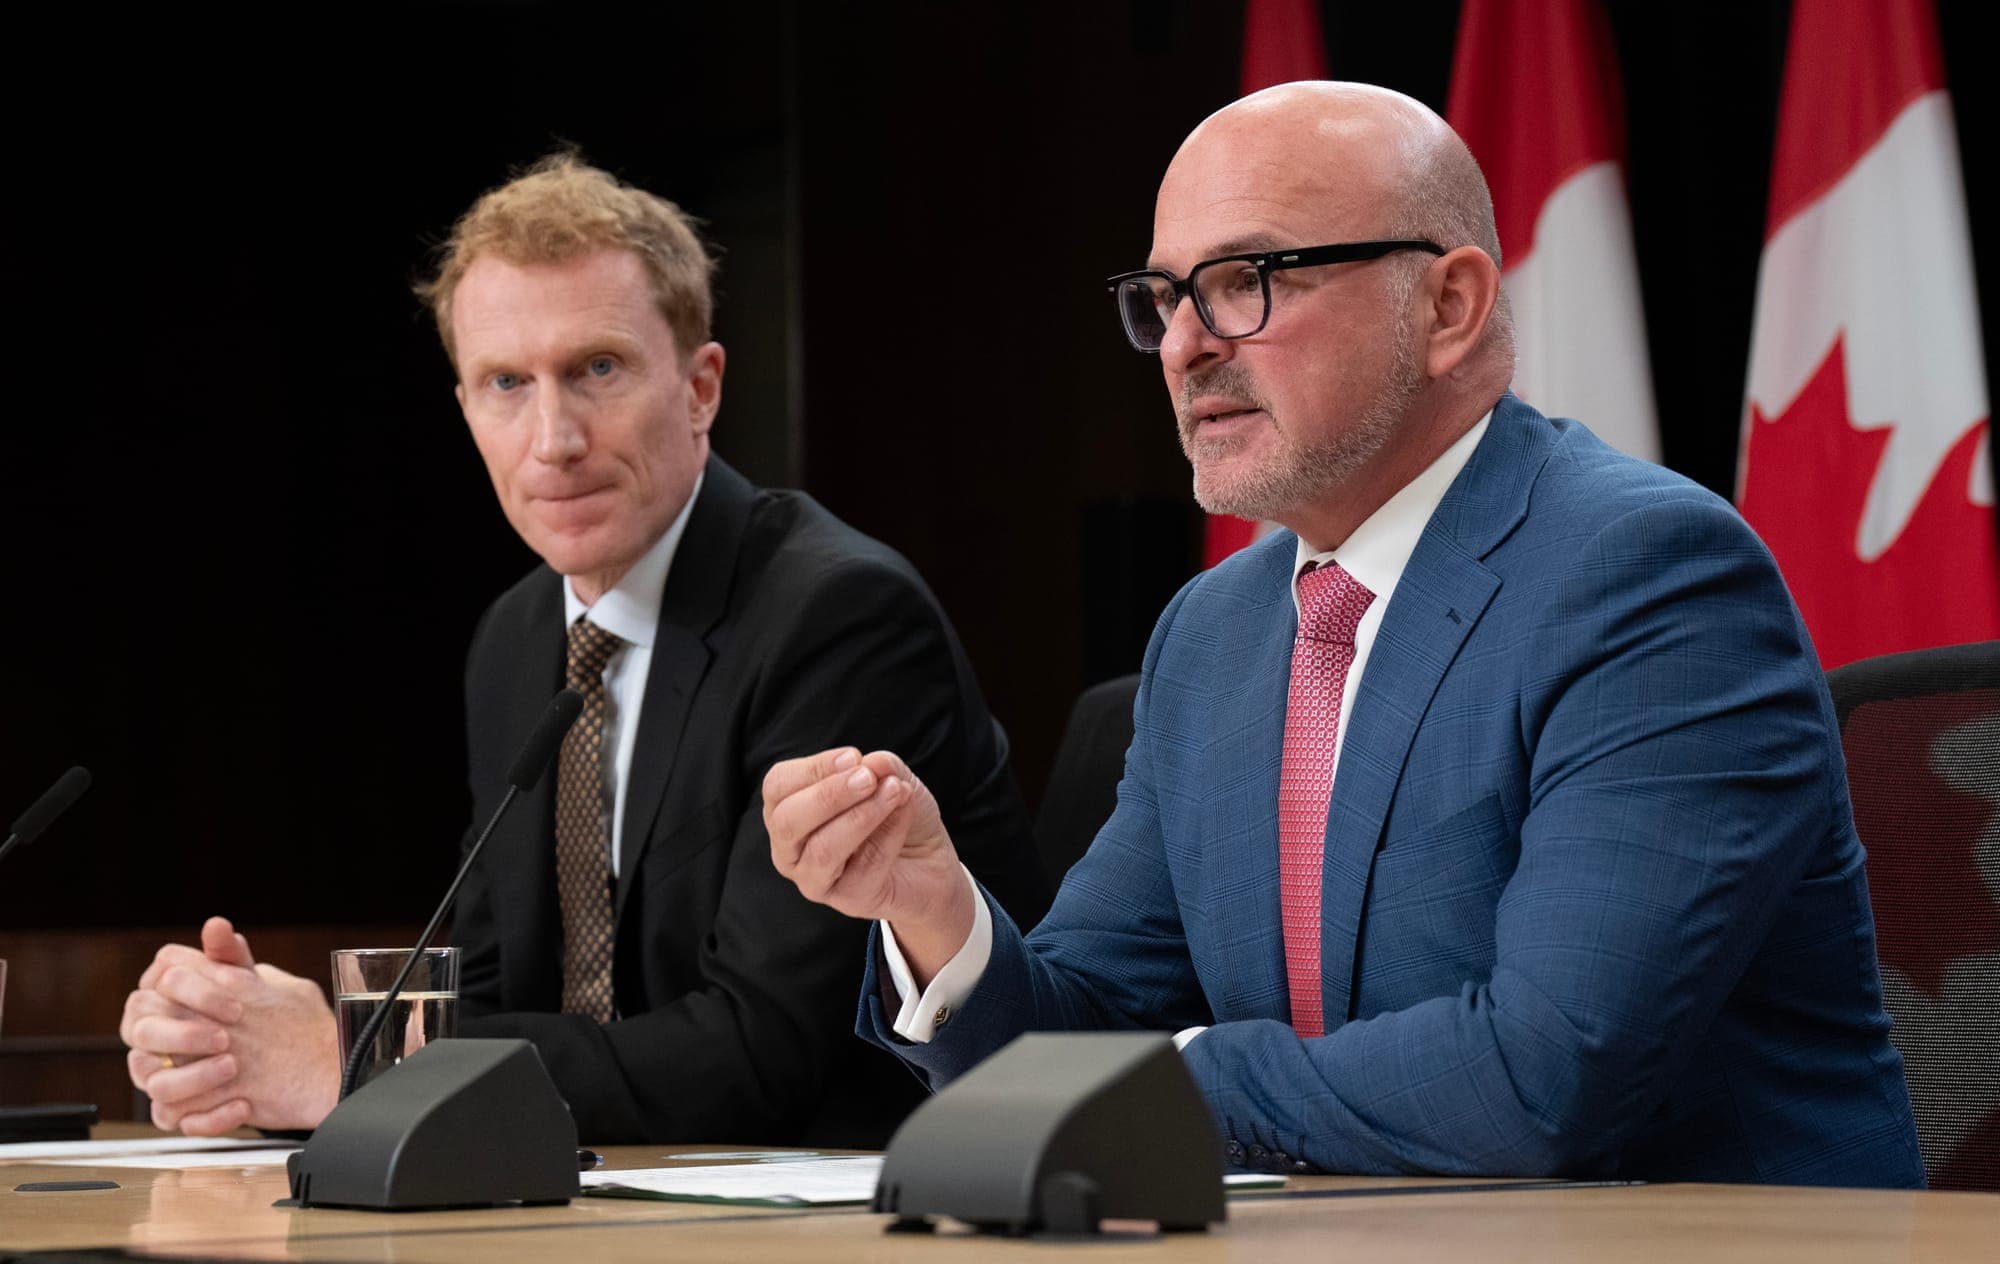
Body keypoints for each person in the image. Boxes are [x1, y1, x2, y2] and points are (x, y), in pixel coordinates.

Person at [762, 83, 1925, 1186]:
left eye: (1246, 279)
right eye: (1166, 297)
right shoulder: (1212, 632)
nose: (1185, 346)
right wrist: (934, 911)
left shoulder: (1647, 579)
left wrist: (1162, 1080)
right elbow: (1074, 1038)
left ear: (1448, 306)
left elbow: (1540, 1078)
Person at [118, 154, 1048, 1146]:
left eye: (595, 370)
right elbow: (489, 984)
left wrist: (361, 1061)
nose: (551, 438)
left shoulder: (835, 617)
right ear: (466, 408)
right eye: (505, 383)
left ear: (700, 387)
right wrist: (239, 1044)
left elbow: (763, 1053)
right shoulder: (518, 639)